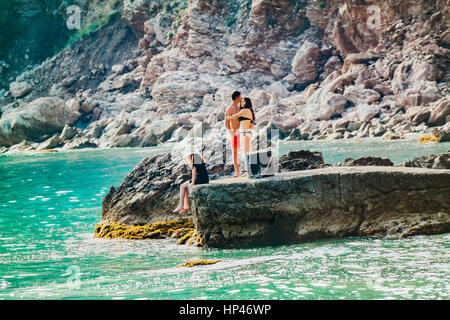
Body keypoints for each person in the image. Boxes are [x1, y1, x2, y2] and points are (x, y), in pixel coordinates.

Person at [226, 97, 255, 176]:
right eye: (241, 101)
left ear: (247, 102)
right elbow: (251, 126)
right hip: (249, 132)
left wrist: (227, 115)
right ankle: (252, 170)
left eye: (243, 101)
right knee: (250, 152)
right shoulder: (250, 111)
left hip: (243, 133)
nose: (242, 103)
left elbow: (233, 116)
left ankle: (247, 172)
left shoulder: (244, 110)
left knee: (245, 153)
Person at [224, 91, 242, 177]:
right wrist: (232, 133)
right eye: (240, 97)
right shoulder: (229, 109)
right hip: (234, 132)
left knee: (246, 151)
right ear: (237, 97)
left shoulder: (241, 107)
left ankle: (247, 170)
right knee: (235, 153)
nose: (241, 98)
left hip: (243, 132)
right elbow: (226, 124)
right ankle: (237, 173)